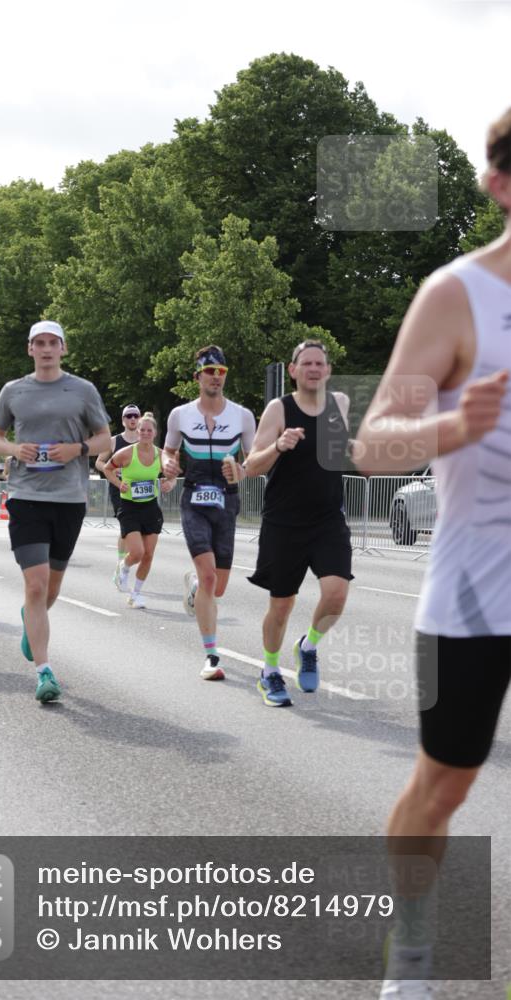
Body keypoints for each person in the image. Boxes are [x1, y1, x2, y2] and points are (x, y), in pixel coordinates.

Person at [355, 109, 511, 999]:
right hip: (473, 595)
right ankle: (407, 946)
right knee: (444, 785)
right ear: (499, 187)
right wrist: (451, 424)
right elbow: (373, 442)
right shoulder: (455, 296)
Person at [0, 319, 110, 703]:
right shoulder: (13, 391)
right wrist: (12, 450)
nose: (45, 349)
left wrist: (78, 450)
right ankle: (43, 672)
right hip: (26, 496)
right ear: (30, 349)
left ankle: (31, 619)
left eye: (52, 343)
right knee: (36, 584)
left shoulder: (82, 390)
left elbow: (104, 436)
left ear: (63, 348)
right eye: (38, 343)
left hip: (69, 499)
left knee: (51, 587)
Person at [244, 340, 352, 707]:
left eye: (320, 363)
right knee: (282, 605)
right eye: (306, 363)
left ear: (328, 370)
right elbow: (251, 465)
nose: (314, 369)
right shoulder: (279, 409)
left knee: (336, 595)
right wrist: (279, 446)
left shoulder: (340, 404)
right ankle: (270, 671)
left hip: (327, 519)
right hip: (284, 523)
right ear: (293, 370)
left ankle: (308, 645)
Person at [162, 345, 256, 680]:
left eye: (221, 372)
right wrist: (168, 465)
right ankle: (211, 656)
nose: (215, 377)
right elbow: (169, 451)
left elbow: (255, 458)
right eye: (209, 371)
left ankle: (195, 588)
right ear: (198, 376)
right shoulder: (180, 415)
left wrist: (243, 471)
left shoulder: (242, 415)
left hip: (228, 501)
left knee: (217, 587)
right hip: (194, 500)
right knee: (209, 576)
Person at [102, 412, 175, 608]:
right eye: (142, 430)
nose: (144, 433)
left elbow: (173, 474)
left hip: (150, 508)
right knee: (137, 553)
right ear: (138, 432)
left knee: (149, 554)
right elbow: (107, 468)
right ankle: (123, 568)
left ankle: (135, 594)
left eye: (148, 430)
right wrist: (119, 484)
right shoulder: (126, 453)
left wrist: (170, 483)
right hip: (129, 507)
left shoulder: (161, 455)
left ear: (155, 433)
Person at [94, 403, 141, 569]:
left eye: (136, 415)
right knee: (127, 527)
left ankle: (126, 561)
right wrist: (113, 471)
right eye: (129, 416)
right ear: (123, 420)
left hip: (140, 490)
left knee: (138, 529)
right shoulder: (113, 441)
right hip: (119, 488)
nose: (133, 419)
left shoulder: (144, 442)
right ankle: (121, 563)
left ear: (140, 419)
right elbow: (99, 462)